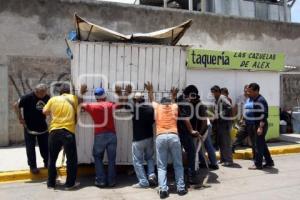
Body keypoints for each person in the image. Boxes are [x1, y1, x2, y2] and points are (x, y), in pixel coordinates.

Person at [145, 82, 187, 199]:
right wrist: (173, 95)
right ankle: (181, 188)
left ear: (162, 103)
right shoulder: (174, 107)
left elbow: (152, 100)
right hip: (174, 136)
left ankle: (163, 190)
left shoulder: (157, 107)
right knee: (178, 164)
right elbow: (173, 102)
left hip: (161, 136)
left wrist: (150, 91)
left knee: (161, 166)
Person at [43, 83, 84, 190]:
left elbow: (45, 111)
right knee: (71, 159)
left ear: (60, 92)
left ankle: (51, 184)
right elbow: (81, 101)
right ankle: (70, 184)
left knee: (52, 158)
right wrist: (82, 92)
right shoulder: (73, 98)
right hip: (67, 131)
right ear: (69, 92)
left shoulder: (53, 99)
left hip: (54, 131)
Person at [81, 86, 120, 188]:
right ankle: (111, 181)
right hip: (112, 134)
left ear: (95, 97)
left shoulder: (92, 106)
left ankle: (101, 180)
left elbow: (81, 104)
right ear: (105, 96)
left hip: (99, 135)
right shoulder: (110, 104)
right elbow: (121, 105)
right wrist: (119, 93)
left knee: (98, 157)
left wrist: (81, 93)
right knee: (112, 159)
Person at [123, 85, 157, 188]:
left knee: (137, 161)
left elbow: (124, 104)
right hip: (149, 137)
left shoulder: (134, 108)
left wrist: (127, 93)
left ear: (135, 100)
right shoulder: (150, 108)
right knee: (150, 158)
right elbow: (154, 105)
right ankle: (151, 175)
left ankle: (143, 182)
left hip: (138, 139)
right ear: (143, 99)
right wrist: (150, 91)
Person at [14, 84, 50, 174]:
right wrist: (20, 118)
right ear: (36, 91)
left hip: (42, 126)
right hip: (29, 127)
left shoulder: (47, 97)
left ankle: (47, 163)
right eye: (41, 93)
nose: (43, 95)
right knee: (30, 148)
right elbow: (15, 105)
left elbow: (50, 108)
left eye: (44, 93)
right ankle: (33, 166)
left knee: (45, 146)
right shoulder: (27, 97)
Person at [246, 83, 274, 170]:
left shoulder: (260, 100)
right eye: (248, 91)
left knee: (258, 145)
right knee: (262, 144)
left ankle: (258, 164)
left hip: (261, 125)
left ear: (256, 91)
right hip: (256, 124)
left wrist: (260, 127)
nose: (248, 93)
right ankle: (269, 162)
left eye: (250, 92)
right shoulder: (254, 99)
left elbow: (264, 115)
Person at [211, 85, 233, 167]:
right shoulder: (216, 99)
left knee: (226, 143)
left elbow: (229, 107)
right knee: (221, 143)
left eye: (213, 92)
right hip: (219, 124)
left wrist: (219, 115)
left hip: (225, 124)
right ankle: (223, 159)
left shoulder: (222, 97)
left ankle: (229, 160)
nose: (212, 94)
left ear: (217, 91)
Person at [232, 85, 251, 153]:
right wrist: (234, 118)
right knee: (240, 133)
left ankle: (248, 144)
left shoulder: (251, 98)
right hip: (241, 118)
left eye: (248, 91)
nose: (246, 92)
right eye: (245, 90)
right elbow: (235, 107)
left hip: (248, 119)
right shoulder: (240, 97)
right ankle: (233, 146)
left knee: (248, 133)